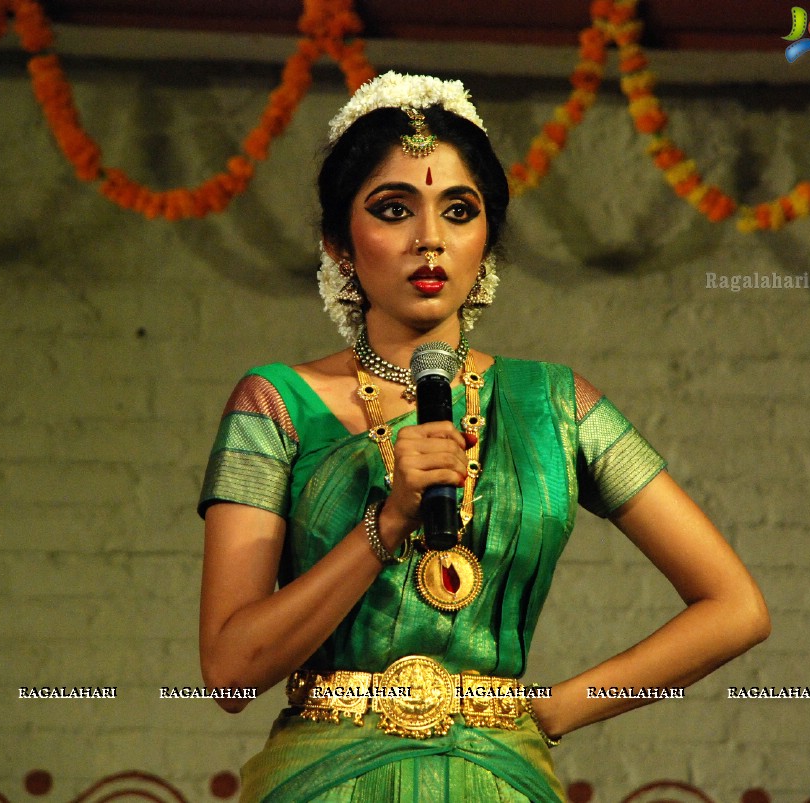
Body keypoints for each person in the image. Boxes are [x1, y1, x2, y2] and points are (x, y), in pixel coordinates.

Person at [197, 71, 770, 802]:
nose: (428, 239)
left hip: (502, 778)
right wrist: (389, 520)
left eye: (458, 210)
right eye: (393, 208)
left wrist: (552, 710)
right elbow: (229, 670)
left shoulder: (554, 405)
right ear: (339, 243)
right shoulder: (275, 404)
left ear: (486, 242)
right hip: (324, 782)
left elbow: (736, 607)